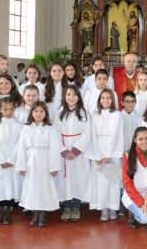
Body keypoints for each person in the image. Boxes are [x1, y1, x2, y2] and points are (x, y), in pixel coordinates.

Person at [16, 101, 62, 227]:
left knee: (44, 188)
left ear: (45, 113)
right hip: (31, 161)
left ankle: (43, 214)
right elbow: (21, 147)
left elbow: (54, 149)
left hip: (45, 161)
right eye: (36, 111)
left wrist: (54, 166)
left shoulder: (50, 129)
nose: (38, 114)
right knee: (32, 187)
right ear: (31, 113)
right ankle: (35, 213)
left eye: (41, 111)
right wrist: (21, 165)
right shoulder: (26, 128)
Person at [54, 85, 93, 222]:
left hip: (79, 153)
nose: (71, 97)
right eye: (68, 94)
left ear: (79, 97)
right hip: (64, 152)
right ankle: (66, 207)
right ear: (65, 97)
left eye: (74, 94)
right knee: (65, 180)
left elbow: (87, 134)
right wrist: (63, 151)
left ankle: (76, 207)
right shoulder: (59, 113)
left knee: (78, 179)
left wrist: (75, 151)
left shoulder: (84, 113)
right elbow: (55, 133)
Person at [89, 89, 124, 221]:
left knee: (113, 181)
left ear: (112, 100)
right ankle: (103, 208)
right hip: (98, 152)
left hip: (112, 153)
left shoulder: (117, 115)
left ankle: (113, 208)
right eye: (103, 98)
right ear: (99, 100)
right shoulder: (94, 115)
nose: (105, 100)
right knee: (101, 182)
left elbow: (117, 134)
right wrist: (97, 155)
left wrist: (109, 154)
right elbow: (92, 135)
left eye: (108, 98)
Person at [0, 97, 22, 225]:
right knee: (1, 185)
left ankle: (9, 209)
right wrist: (1, 160)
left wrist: (12, 159)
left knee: (12, 185)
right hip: (0, 162)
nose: (8, 112)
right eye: (5, 109)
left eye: (11, 109)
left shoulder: (18, 125)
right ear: (0, 110)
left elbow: (20, 143)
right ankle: (0, 208)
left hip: (12, 161)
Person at [122, 126, 147, 231]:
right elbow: (127, 183)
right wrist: (141, 203)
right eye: (140, 139)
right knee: (144, 219)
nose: (144, 142)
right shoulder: (127, 155)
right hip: (132, 196)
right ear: (135, 140)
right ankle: (134, 214)